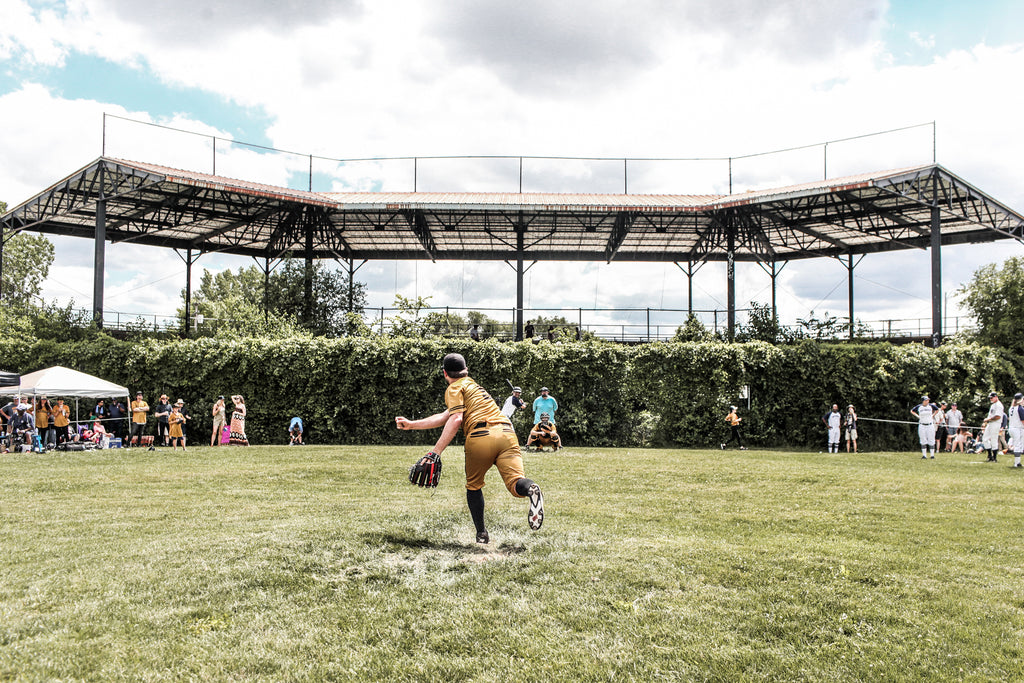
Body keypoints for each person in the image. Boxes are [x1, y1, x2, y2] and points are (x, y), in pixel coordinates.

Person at [394, 352, 544, 544]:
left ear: (444, 373)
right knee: (516, 483)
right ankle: (531, 489)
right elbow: (446, 415)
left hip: (481, 437)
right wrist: (412, 424)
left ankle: (482, 533)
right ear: (466, 371)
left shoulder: (454, 388)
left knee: (473, 487)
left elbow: (456, 418)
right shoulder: (474, 386)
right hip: (507, 434)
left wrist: (435, 452)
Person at [982, 391, 1004, 462]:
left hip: (995, 423)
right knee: (985, 439)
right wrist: (986, 422)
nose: (990, 399)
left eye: (991, 398)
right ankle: (989, 455)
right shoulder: (993, 405)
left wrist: (988, 419)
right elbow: (990, 415)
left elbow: (998, 416)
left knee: (994, 440)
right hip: (990, 423)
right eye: (990, 398)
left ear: (996, 397)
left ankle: (994, 457)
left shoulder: (999, 405)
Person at [1008, 392, 1024, 468]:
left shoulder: (1011, 408)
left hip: (1011, 427)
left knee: (1017, 445)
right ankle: (1016, 463)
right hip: (1018, 428)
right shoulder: (1020, 408)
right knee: (1018, 445)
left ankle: (1018, 462)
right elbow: (1022, 420)